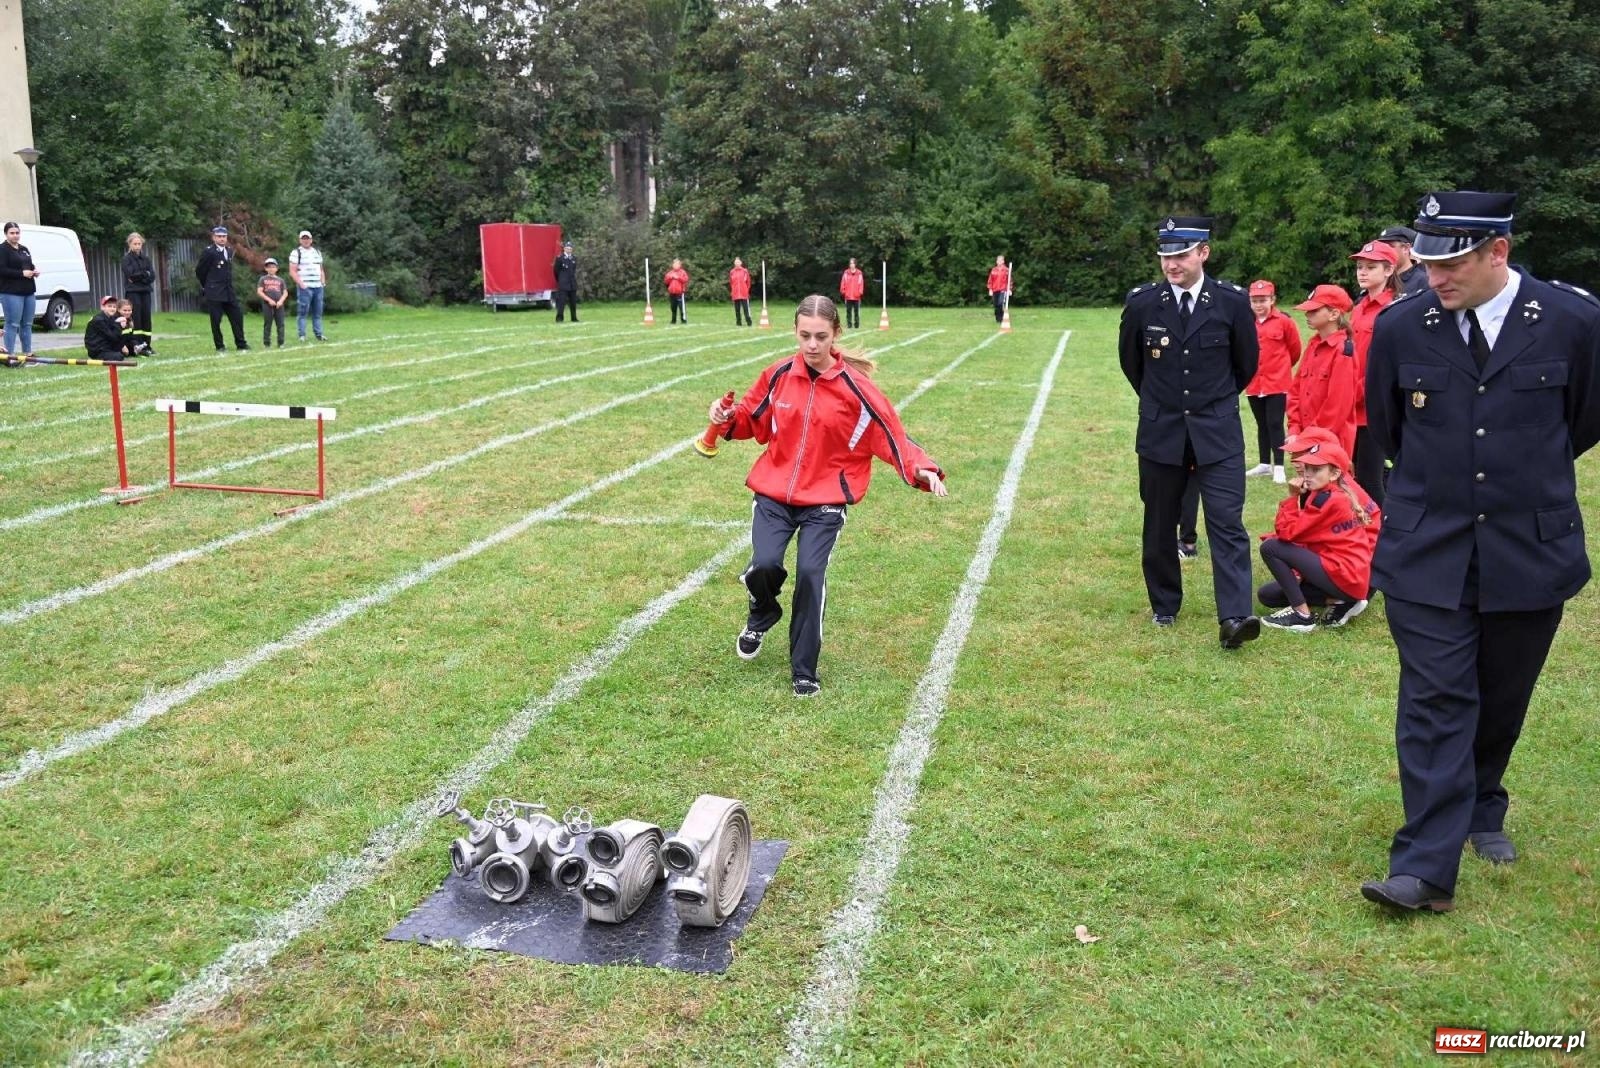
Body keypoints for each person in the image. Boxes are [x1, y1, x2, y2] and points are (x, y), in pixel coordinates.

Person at [1360, 190, 1600, 914]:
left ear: (1499, 251)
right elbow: (1389, 427)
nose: (1435, 277)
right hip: (1428, 544)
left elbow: (1581, 423)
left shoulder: (1573, 321)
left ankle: (1483, 802)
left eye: (1453, 263)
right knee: (1435, 698)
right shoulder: (1404, 327)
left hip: (1529, 546)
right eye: (1427, 262)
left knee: (1502, 692)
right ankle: (1425, 869)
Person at [706, 294, 947, 697]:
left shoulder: (858, 389)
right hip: (774, 495)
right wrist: (726, 418)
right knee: (764, 565)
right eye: (805, 336)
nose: (812, 345)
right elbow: (751, 419)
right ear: (795, 333)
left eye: (820, 336)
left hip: (825, 502)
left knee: (811, 577)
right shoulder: (778, 374)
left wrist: (921, 468)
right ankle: (762, 610)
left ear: (836, 333)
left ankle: (804, 670)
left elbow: (891, 436)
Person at [1117, 215, 1261, 649]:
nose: (1171, 264)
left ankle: (1235, 616)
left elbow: (1245, 365)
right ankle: (1165, 603)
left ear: (1203, 253)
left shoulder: (1231, 302)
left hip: (1217, 431)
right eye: (1165, 256)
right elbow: (1132, 365)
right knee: (1159, 522)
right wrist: (1167, 405)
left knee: (1227, 523)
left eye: (1180, 255)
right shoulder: (1144, 303)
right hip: (1162, 431)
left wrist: (1209, 404)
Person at [1256, 430, 1378, 632]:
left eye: (1315, 468)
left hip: (1350, 575)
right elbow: (1312, 537)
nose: (1300, 466)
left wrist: (1291, 498)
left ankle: (1302, 615)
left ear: (1334, 472)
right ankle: (1339, 600)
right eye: (1307, 466)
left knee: (1270, 548)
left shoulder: (1328, 498)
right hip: (1349, 575)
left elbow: (1288, 534)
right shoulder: (1333, 490)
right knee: (1267, 595)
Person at [1348, 241, 1400, 506]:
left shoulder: (1393, 309)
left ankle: (1383, 537)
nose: (1363, 272)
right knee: (1356, 475)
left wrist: (1357, 391)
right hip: (1350, 405)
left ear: (1389, 269)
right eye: (1360, 267)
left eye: (1371, 267)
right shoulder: (1358, 308)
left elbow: (1386, 364)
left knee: (1370, 479)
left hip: (1372, 406)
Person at [1287, 284, 1357, 457]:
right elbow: (1296, 389)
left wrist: (1310, 438)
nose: (1307, 314)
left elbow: (1337, 406)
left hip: (1329, 441)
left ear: (1334, 314)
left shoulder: (1343, 351)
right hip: (1304, 437)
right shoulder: (1313, 345)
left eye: (1314, 311)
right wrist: (1295, 429)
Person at [1243, 279, 1302, 483]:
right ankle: (1264, 464)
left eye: (1263, 300)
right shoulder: (1246, 322)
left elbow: (1294, 350)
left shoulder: (1284, 321)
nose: (1259, 305)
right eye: (1255, 300)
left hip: (1277, 382)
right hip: (1254, 383)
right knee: (1261, 424)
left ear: (1272, 300)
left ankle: (1278, 465)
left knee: (1275, 423)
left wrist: (1281, 368)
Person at [195, 225, 249, 354]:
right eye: (219, 236)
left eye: (224, 236)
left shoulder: (229, 250)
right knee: (216, 320)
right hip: (214, 291)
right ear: (214, 237)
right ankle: (219, 345)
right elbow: (200, 271)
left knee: (237, 316)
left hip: (228, 290)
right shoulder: (209, 252)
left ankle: (241, 343)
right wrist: (207, 285)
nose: (222, 239)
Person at [0, 221, 39, 367]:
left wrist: (34, 270)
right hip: (11, 292)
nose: (15, 235)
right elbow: (2, 270)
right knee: (12, 323)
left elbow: (28, 264)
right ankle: (9, 355)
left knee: (27, 324)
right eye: (12, 233)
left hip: (28, 291)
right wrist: (22, 273)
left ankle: (27, 354)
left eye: (17, 233)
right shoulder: (2, 249)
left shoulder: (24, 249)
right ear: (6, 234)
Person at [121, 232, 157, 355]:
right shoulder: (127, 259)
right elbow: (130, 275)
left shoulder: (146, 259)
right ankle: (137, 345)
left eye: (139, 243)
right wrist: (144, 274)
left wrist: (142, 276)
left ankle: (147, 345)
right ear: (130, 244)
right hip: (133, 292)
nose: (137, 246)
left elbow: (152, 275)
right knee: (136, 318)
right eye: (135, 244)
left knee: (146, 318)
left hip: (145, 291)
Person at [289, 229, 327, 341]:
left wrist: (322, 282)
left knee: (318, 312)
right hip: (305, 287)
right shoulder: (296, 253)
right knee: (303, 312)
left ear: (311, 240)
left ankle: (319, 334)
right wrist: (302, 284)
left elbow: (321, 269)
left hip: (318, 287)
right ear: (300, 240)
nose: (306, 240)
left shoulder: (317, 252)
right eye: (303, 238)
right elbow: (292, 271)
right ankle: (302, 335)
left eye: (307, 238)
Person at [1377, 225, 1430, 296]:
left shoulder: (1423, 281)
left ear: (1405, 248)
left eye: (1389, 246)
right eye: (1382, 247)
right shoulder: (1379, 279)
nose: (1383, 251)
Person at [83, 295, 130, 360]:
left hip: (105, 347)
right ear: (103, 307)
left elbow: (116, 337)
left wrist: (122, 346)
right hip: (97, 350)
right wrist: (119, 325)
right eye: (109, 306)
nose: (112, 308)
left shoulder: (111, 318)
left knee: (125, 352)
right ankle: (96, 357)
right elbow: (112, 337)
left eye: (114, 307)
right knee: (119, 356)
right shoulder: (99, 320)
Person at [257, 258, 289, 348]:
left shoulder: (280, 280)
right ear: (266, 268)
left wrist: (281, 301)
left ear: (277, 268)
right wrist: (269, 300)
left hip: (279, 305)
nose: (271, 269)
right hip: (267, 305)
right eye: (269, 267)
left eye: (273, 267)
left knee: (280, 324)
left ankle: (281, 343)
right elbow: (259, 291)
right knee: (268, 324)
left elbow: (285, 292)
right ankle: (267, 343)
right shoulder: (263, 279)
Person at [553, 241, 579, 323]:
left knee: (573, 302)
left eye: (570, 249)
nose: (569, 250)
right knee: (562, 302)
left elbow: (573, 270)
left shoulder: (574, 258)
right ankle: (559, 318)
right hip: (563, 284)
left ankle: (574, 318)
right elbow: (556, 271)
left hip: (572, 284)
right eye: (567, 248)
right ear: (564, 249)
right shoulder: (560, 258)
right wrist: (560, 280)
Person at [839, 258, 865, 329]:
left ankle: (857, 325)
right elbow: (843, 282)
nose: (851, 265)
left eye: (853, 263)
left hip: (856, 296)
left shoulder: (859, 273)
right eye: (850, 263)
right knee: (848, 312)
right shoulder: (846, 272)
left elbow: (861, 283)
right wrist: (843, 291)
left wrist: (860, 292)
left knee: (856, 312)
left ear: (855, 264)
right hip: (848, 296)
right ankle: (849, 325)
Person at [986, 255, 1010, 324]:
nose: (999, 262)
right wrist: (990, 289)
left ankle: (1001, 317)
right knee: (996, 304)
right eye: (998, 260)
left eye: (1001, 260)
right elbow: (990, 280)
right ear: (996, 261)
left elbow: (1009, 280)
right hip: (995, 289)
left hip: (1003, 289)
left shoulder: (1006, 270)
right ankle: (998, 319)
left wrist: (1009, 289)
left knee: (1000, 303)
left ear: (1003, 261)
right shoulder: (994, 270)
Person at [729, 257, 752, 326]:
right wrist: (733, 290)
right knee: (737, 310)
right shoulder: (732, 272)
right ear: (734, 263)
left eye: (738, 262)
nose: (737, 264)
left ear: (741, 263)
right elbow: (731, 282)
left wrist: (746, 290)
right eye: (736, 262)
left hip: (744, 293)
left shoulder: (745, 271)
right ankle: (738, 323)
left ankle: (749, 322)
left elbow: (748, 282)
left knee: (746, 309)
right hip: (735, 294)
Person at [665, 259, 690, 324]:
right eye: (674, 264)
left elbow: (685, 280)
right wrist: (670, 277)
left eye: (677, 264)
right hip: (672, 293)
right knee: (673, 307)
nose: (675, 265)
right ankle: (673, 320)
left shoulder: (683, 272)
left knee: (682, 308)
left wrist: (678, 277)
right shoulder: (670, 273)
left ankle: (683, 320)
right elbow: (666, 281)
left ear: (680, 265)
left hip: (680, 293)